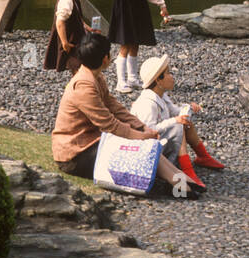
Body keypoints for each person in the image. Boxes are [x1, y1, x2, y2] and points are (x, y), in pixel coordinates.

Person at [51, 33, 199, 198]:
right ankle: (178, 183)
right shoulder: (84, 86)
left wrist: (142, 128)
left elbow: (115, 107)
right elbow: (111, 125)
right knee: (138, 147)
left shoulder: (94, 77)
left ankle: (179, 179)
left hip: (91, 142)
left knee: (146, 144)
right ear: (105, 59)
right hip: (75, 155)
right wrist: (141, 136)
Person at [132, 54, 225, 190]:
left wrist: (188, 109)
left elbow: (175, 111)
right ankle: (186, 170)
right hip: (148, 150)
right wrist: (175, 121)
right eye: (168, 73)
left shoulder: (161, 95)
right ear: (158, 80)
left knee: (184, 122)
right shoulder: (147, 103)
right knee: (178, 125)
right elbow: (149, 130)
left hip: (160, 142)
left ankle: (202, 156)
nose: (172, 76)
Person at [43, 0, 92, 74]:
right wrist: (64, 42)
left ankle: (78, 87)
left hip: (76, 39)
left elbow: (76, 16)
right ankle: (78, 89)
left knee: (79, 68)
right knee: (79, 68)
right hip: (71, 42)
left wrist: (85, 26)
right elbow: (60, 22)